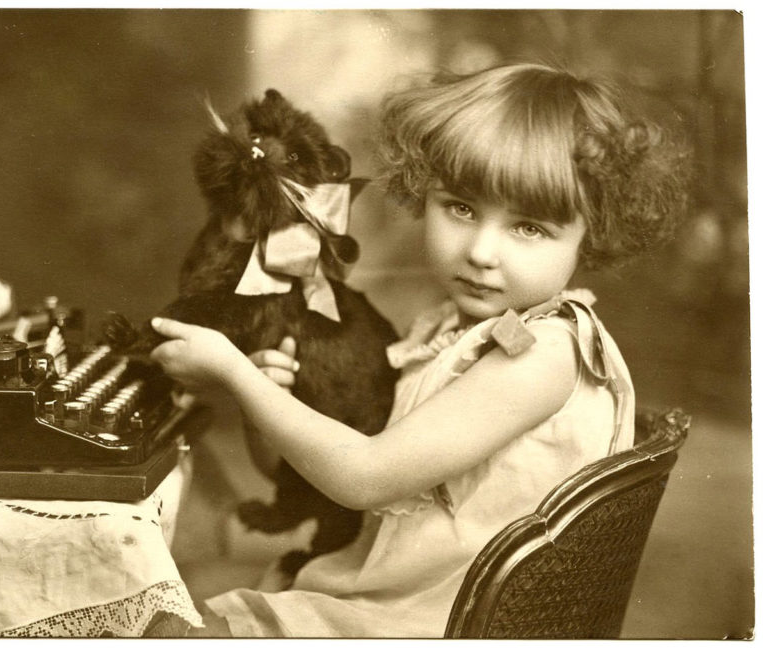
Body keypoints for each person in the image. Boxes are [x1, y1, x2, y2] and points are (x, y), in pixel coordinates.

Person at [152, 62, 689, 637]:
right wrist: (268, 397)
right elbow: (305, 475)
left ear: (595, 230)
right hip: (386, 591)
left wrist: (235, 374)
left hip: (444, 623)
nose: (482, 251)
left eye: (528, 227)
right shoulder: (447, 335)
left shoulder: (543, 354)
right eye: (460, 208)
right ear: (423, 194)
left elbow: (364, 478)